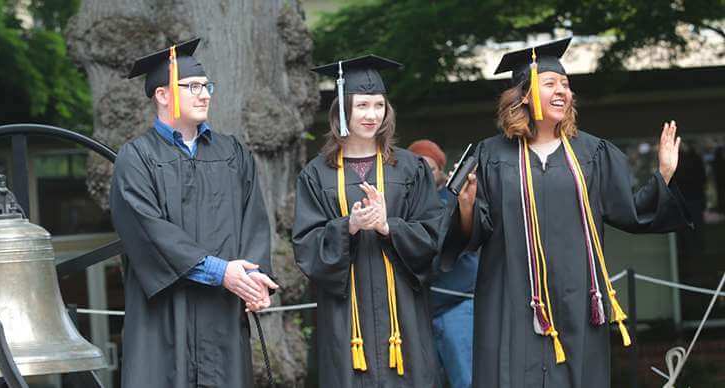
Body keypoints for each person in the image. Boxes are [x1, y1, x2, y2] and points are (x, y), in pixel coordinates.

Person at [440, 37, 691, 388]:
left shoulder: (591, 153)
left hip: (577, 296)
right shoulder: (491, 156)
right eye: (550, 84)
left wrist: (663, 174)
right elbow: (473, 232)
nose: (562, 91)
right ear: (524, 95)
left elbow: (629, 210)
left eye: (566, 85)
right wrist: (465, 204)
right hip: (511, 296)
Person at [110, 38, 278, 388]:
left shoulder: (232, 153)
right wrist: (221, 272)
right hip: (165, 318)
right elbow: (148, 231)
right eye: (193, 87)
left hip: (222, 316)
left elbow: (255, 222)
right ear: (162, 94)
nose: (205, 95)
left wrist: (253, 279)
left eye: (206, 86)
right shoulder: (136, 158)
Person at [293, 55, 445, 387]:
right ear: (343, 110)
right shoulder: (317, 174)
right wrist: (348, 226)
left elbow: (434, 234)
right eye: (362, 105)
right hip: (345, 317)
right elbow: (306, 245)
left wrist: (387, 226)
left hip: (402, 315)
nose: (371, 114)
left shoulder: (408, 168)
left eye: (379, 105)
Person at [408, 139, 478, 388]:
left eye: (431, 168)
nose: (425, 174)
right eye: (419, 168)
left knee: (467, 380)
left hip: (457, 306)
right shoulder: (404, 206)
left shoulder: (456, 198)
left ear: (441, 172)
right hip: (420, 314)